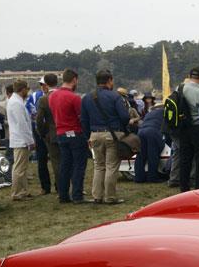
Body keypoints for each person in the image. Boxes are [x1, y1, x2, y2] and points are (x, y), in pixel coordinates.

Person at [81, 68, 131, 204]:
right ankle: (110, 197)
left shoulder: (86, 98)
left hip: (94, 135)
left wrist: (88, 136)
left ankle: (97, 196)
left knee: (98, 166)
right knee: (111, 166)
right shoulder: (115, 96)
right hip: (112, 134)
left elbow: (83, 120)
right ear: (109, 80)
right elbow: (124, 117)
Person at [49, 69, 88, 204]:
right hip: (75, 133)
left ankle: (63, 195)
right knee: (78, 165)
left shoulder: (52, 96)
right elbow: (81, 117)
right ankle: (77, 195)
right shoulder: (74, 97)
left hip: (60, 133)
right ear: (74, 80)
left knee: (65, 165)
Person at [177, 67, 199, 193]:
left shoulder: (180, 88)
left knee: (185, 159)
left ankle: (184, 187)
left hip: (183, 127)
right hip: (198, 127)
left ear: (189, 76)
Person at [7, 79, 34, 200]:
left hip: (20, 139)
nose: (27, 92)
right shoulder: (16, 103)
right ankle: (17, 193)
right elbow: (22, 124)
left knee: (22, 168)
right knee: (19, 168)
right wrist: (30, 141)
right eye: (27, 89)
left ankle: (23, 191)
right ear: (23, 89)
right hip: (21, 140)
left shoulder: (16, 101)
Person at [34, 73, 60, 193]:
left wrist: (43, 133)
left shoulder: (43, 99)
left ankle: (60, 187)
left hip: (51, 133)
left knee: (56, 162)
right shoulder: (65, 95)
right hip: (66, 131)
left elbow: (39, 120)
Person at [135, 98, 166, 183]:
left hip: (141, 132)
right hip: (153, 131)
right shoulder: (164, 112)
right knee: (153, 155)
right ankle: (152, 177)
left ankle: (138, 178)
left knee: (141, 156)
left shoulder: (150, 113)